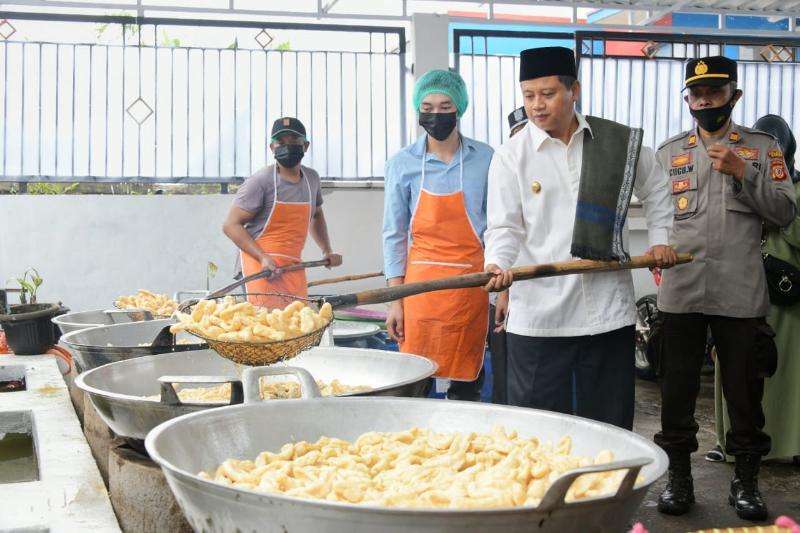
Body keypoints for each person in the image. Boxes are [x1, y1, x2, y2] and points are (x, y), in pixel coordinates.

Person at [483, 46, 676, 429]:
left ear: (575, 91)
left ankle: (608, 490)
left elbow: (656, 186)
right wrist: (497, 264)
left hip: (605, 312)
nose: (536, 106)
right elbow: (505, 226)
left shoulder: (614, 143)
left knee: (610, 425)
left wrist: (660, 238)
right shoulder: (511, 156)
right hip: (540, 316)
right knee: (535, 428)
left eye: (548, 94)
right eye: (528, 95)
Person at [652, 57, 796, 521]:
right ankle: (679, 478)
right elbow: (657, 219)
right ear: (688, 100)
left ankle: (746, 482)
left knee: (744, 395)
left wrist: (742, 172)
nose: (705, 100)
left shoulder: (761, 149)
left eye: (714, 91)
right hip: (681, 292)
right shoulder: (667, 152)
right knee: (675, 393)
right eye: (696, 93)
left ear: (733, 95)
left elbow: (784, 214)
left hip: (739, 295)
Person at [383, 69, 494, 401]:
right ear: (418, 110)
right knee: (414, 382)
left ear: (459, 108)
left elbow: (498, 228)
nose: (436, 114)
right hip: (421, 290)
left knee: (467, 384)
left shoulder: (486, 159)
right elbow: (393, 234)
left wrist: (502, 293)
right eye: (427, 107)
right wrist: (396, 302)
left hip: (470, 287)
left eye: (445, 106)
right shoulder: (402, 163)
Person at [709, 114, 800, 466]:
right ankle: (729, 442)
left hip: (786, 298)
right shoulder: (735, 179)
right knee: (734, 368)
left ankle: (787, 445)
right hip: (739, 285)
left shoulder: (794, 188)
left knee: (784, 373)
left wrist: (780, 213)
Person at [223, 117, 342, 307]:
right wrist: (262, 257)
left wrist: (327, 251)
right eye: (281, 142)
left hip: (291, 266)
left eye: (294, 141)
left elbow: (316, 215)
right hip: (260, 268)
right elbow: (231, 225)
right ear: (272, 147)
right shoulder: (260, 181)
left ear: (306, 145)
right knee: (265, 329)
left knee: (295, 326)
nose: (287, 146)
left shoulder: (312, 179)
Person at [488, 107, 528, 405]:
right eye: (517, 134)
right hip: (507, 284)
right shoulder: (507, 167)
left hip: (536, 292)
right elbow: (503, 233)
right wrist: (504, 295)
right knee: (507, 368)